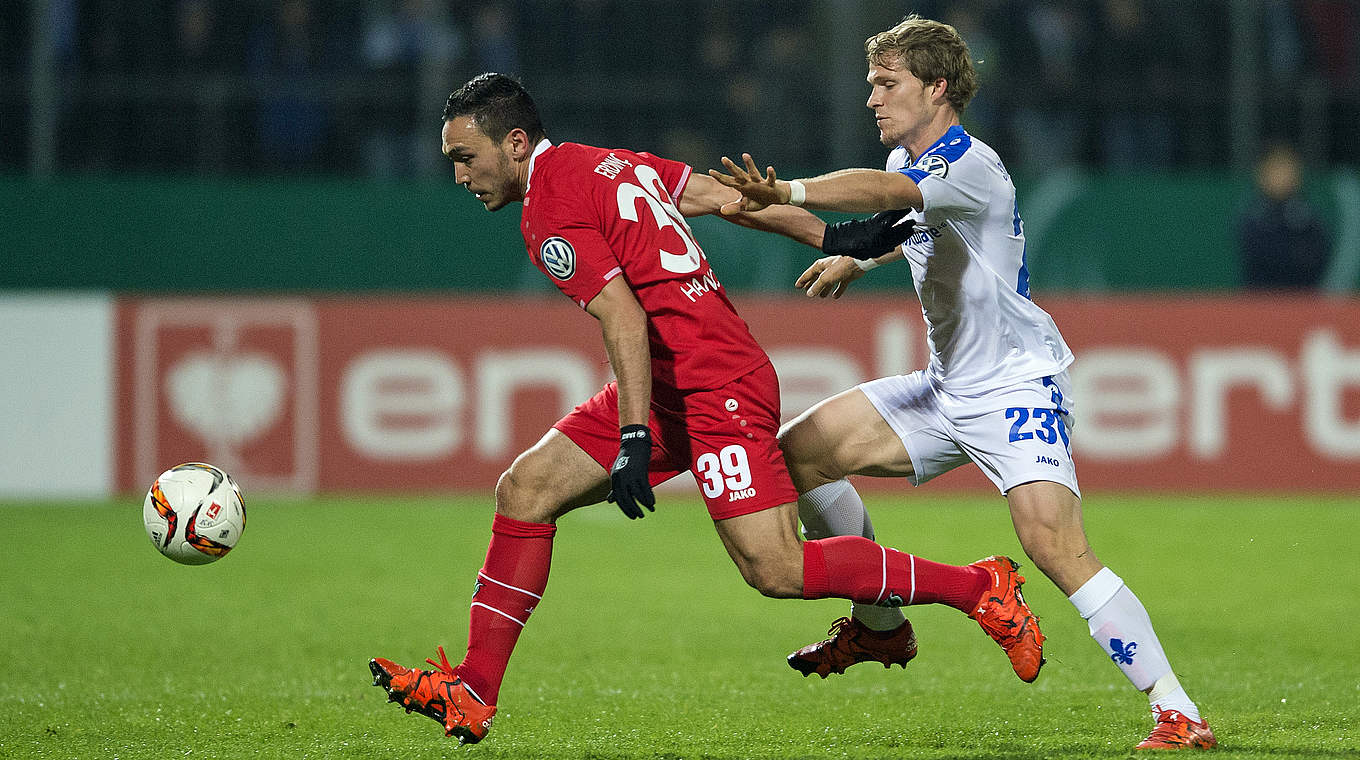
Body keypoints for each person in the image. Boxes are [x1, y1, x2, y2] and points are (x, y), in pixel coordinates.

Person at [368, 71, 1046, 744]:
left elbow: (625, 321)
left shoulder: (547, 207)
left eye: (466, 157)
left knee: (776, 569)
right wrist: (826, 237)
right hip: (671, 385)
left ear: (515, 143)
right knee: (525, 488)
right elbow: (724, 196)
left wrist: (634, 435)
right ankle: (474, 690)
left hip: (715, 383)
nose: (459, 175)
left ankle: (977, 586)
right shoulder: (606, 163)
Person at [710, 15, 1216, 752]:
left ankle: (1178, 710)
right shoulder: (910, 161)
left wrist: (786, 188)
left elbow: (887, 196)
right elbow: (872, 232)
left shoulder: (969, 162)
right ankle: (881, 629)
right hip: (946, 390)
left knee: (1055, 548)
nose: (873, 100)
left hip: (1015, 387)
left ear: (937, 86)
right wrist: (829, 247)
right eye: (871, 84)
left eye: (888, 84)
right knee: (801, 454)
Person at [1236, 143, 1333, 290]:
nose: (1281, 177)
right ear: (1262, 175)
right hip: (1261, 301)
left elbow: (1316, 257)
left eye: (1286, 170)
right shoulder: (1254, 216)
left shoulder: (1309, 217)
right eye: (1275, 170)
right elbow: (1258, 258)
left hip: (1303, 299)